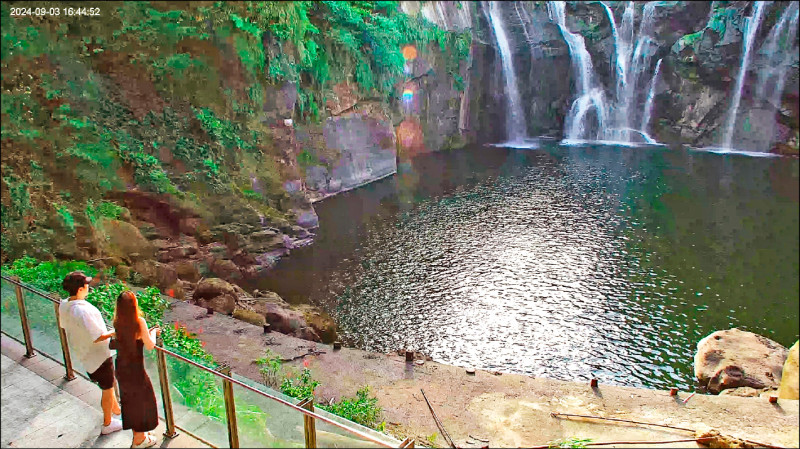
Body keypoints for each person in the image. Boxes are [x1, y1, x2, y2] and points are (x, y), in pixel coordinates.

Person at [59, 271, 123, 435]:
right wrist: (115, 332)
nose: (88, 287)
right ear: (80, 289)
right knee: (108, 389)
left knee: (107, 384)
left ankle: (116, 410)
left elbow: (65, 326)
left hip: (84, 353)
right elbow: (98, 336)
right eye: (86, 285)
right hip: (99, 356)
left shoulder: (65, 305)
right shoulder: (82, 311)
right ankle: (108, 424)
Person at [96, 290, 161, 448]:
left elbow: (128, 337)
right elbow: (150, 345)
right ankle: (139, 439)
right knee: (143, 399)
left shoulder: (118, 321)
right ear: (134, 305)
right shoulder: (139, 321)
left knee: (130, 400)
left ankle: (140, 433)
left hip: (121, 367)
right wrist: (152, 333)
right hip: (135, 369)